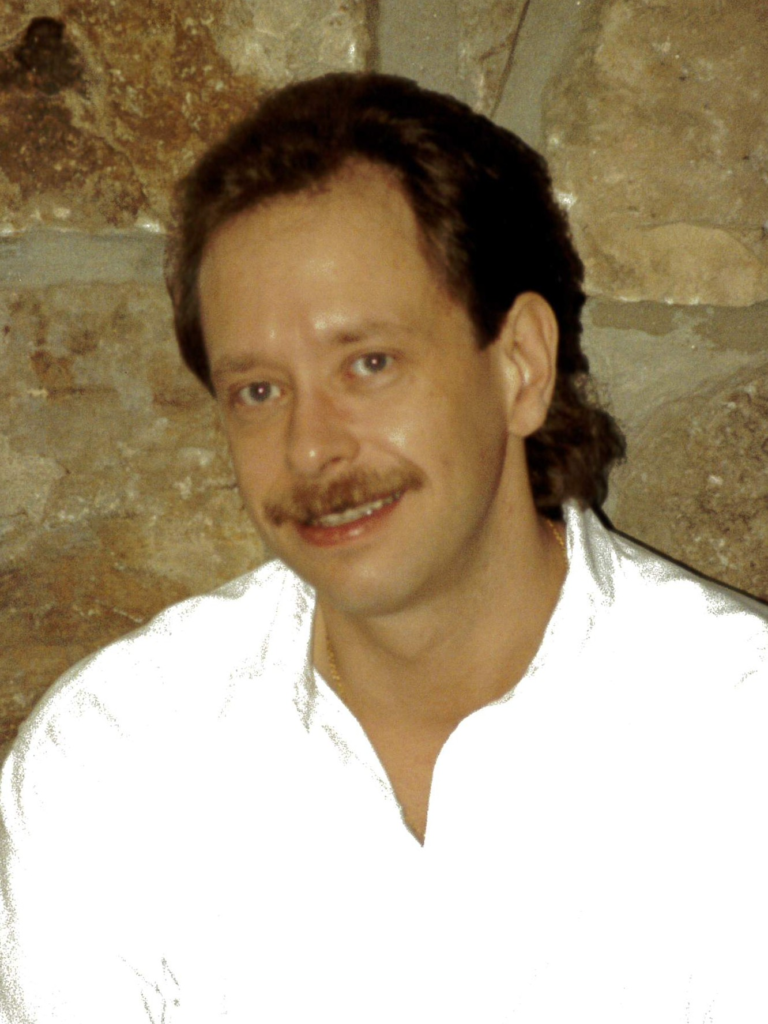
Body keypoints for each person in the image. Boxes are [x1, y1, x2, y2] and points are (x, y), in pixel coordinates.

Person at [1, 72, 766, 1023]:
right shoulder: (115, 763)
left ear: (520, 366)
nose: (310, 448)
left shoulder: (738, 745)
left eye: (369, 364)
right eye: (258, 391)